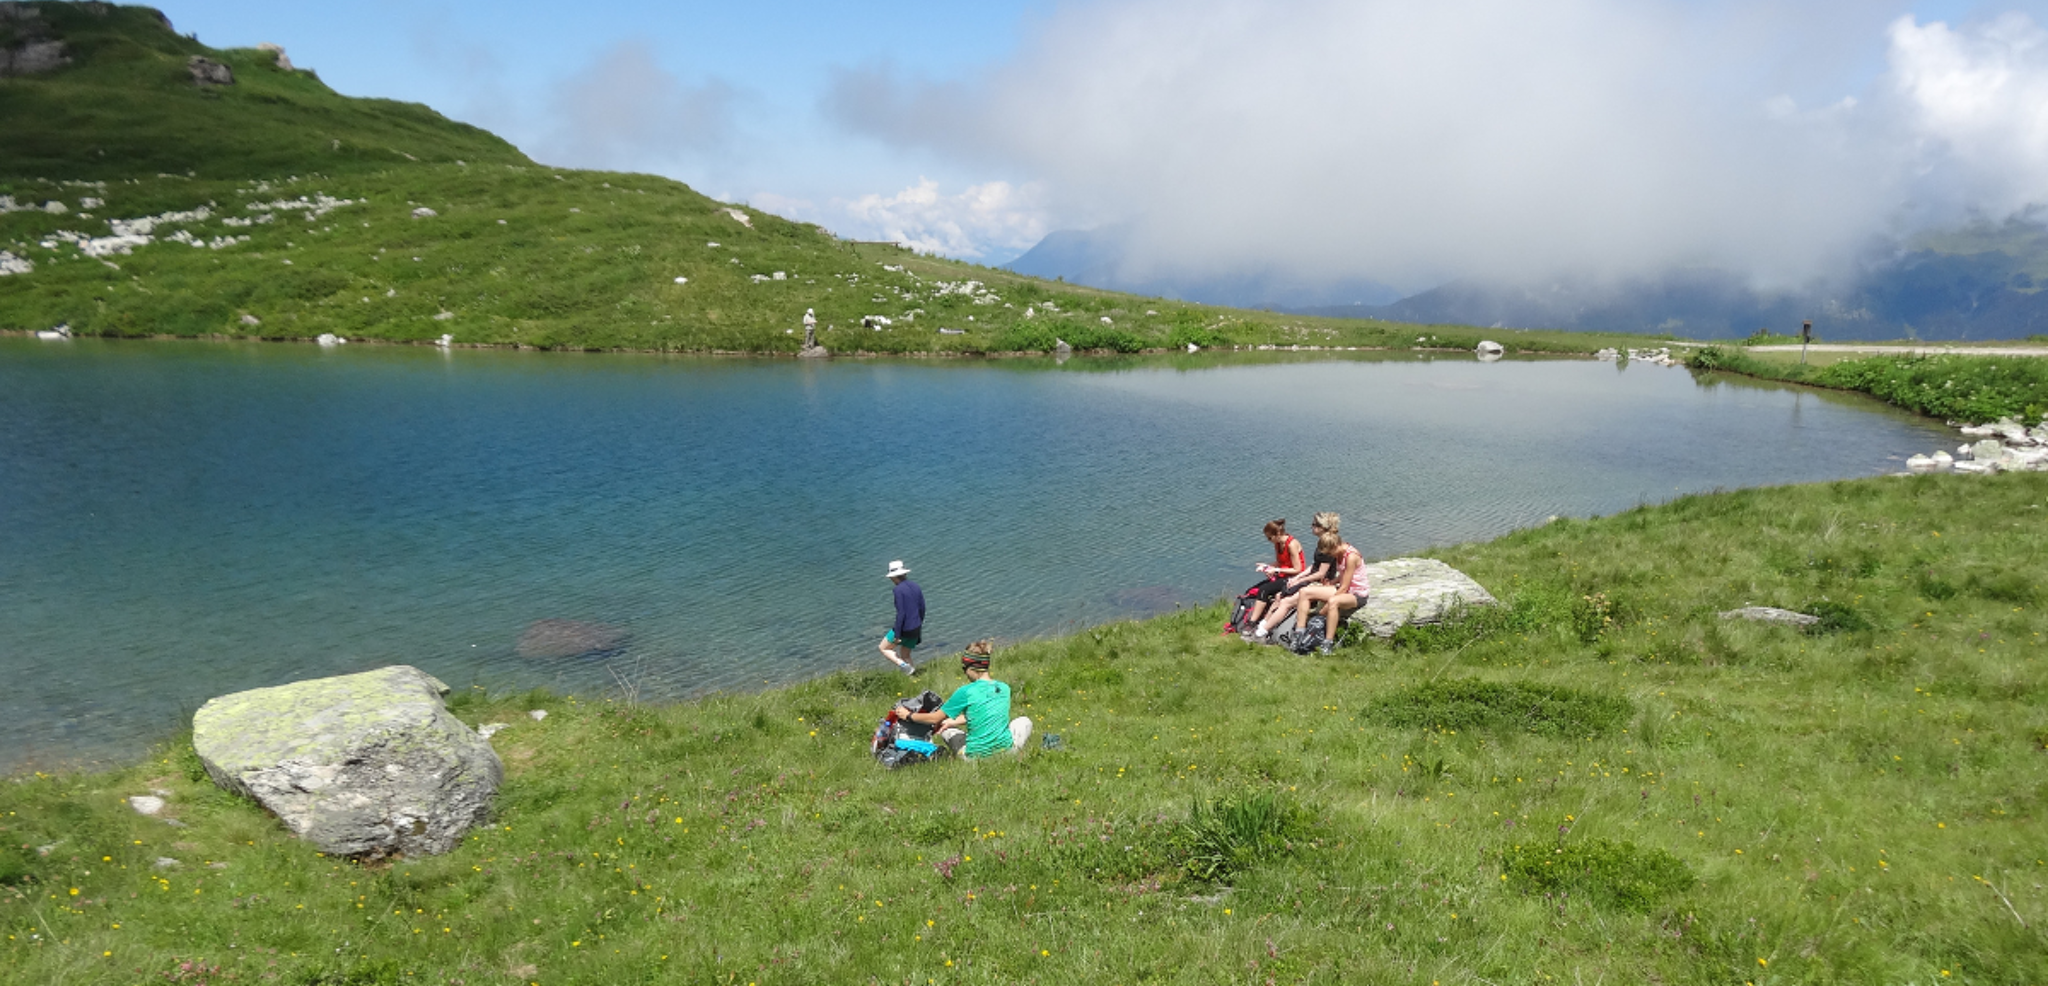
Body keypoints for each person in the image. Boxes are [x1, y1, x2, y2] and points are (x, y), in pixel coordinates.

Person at [900, 642, 1033, 759]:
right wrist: (952, 721)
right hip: (1007, 752)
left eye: (964, 668)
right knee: (1024, 721)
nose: (964, 673)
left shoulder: (965, 692)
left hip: (974, 757)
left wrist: (908, 715)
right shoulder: (1004, 688)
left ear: (971, 667)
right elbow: (982, 713)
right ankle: (1011, 749)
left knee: (947, 732)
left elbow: (935, 719)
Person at [1270, 528, 1370, 655]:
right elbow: (1344, 575)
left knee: (1333, 602)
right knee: (1304, 592)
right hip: (1345, 589)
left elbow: (1345, 587)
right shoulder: (1339, 553)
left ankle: (1327, 643)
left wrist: (1326, 607)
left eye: (1330, 552)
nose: (1330, 556)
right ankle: (1299, 633)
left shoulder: (1351, 557)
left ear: (1335, 546)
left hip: (1357, 594)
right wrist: (1332, 582)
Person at [1244, 512, 1340, 642]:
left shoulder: (1327, 545)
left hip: (1319, 583)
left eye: (1314, 525)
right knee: (1279, 596)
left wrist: (1299, 578)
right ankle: (1261, 627)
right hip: (1311, 579)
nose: (1311, 527)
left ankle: (1261, 633)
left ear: (1322, 527)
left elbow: (1321, 573)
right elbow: (1314, 567)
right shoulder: (1322, 543)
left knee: (1285, 602)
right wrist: (1296, 578)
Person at [1227, 519, 1307, 633]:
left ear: (1278, 534)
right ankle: (1251, 617)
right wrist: (1267, 567)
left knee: (1264, 590)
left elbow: (1298, 569)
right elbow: (1280, 562)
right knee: (1253, 590)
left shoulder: (1291, 544)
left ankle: (1252, 623)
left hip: (1294, 578)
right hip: (1283, 575)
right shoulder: (1278, 544)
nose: (1269, 540)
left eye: (1270, 538)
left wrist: (1276, 570)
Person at [880, 559, 923, 675]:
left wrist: (897, 635)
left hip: (904, 628)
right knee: (905, 655)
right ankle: (912, 676)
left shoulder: (898, 590)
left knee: (884, 648)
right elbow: (922, 608)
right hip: (916, 626)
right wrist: (919, 629)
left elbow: (901, 613)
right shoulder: (916, 586)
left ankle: (904, 666)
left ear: (894, 577)